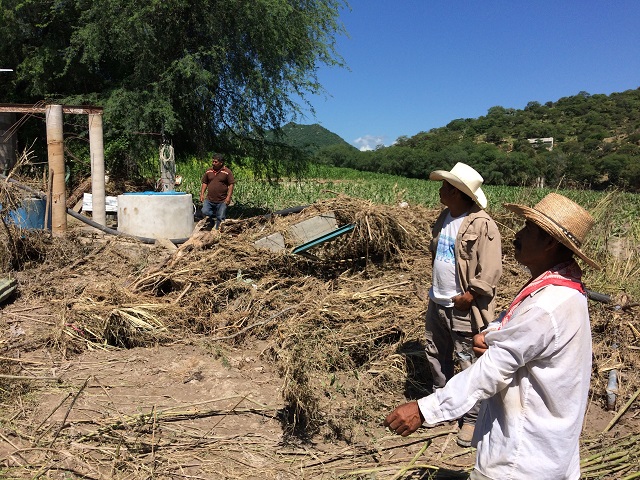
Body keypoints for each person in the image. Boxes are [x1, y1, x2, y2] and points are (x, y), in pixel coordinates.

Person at [384, 192, 600, 480]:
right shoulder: (558, 290)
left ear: (549, 243)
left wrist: (425, 409)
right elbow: (518, 330)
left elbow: (491, 370)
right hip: (545, 451)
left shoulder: (547, 305)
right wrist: (495, 331)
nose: (518, 234)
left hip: (521, 459)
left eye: (528, 230)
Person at [424, 162, 502, 447]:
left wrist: (470, 295)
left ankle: (471, 419)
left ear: (458, 192)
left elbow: (491, 269)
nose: (441, 190)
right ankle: (441, 406)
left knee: (468, 360)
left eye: (446, 186)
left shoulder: (482, 224)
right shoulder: (445, 216)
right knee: (436, 353)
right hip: (438, 300)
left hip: (464, 306)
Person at [199, 153, 235, 230]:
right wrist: (202, 194)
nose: (213, 163)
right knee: (205, 211)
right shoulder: (209, 171)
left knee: (221, 217)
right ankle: (211, 222)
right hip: (209, 199)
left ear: (221, 163)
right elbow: (205, 182)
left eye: (215, 162)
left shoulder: (227, 172)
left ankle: (218, 232)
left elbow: (231, 184)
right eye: (213, 161)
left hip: (222, 200)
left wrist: (228, 197)